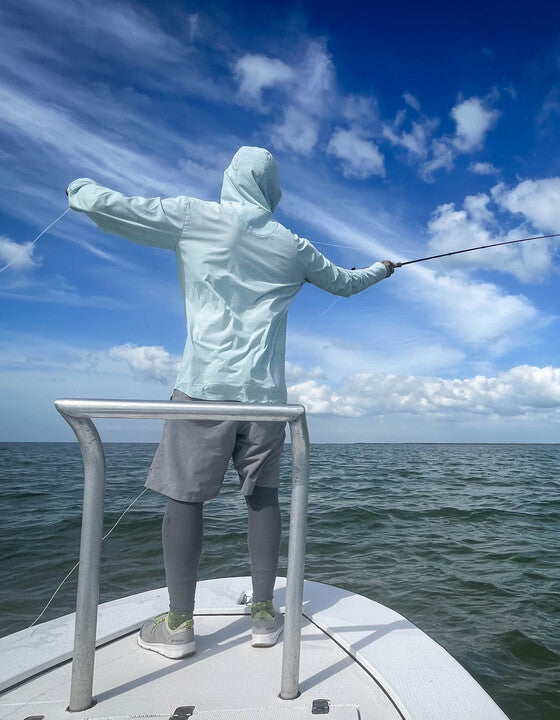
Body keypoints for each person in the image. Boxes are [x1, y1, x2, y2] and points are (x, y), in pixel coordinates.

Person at [66, 146, 396, 659]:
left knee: (185, 498)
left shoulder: (195, 216)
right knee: (262, 497)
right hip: (266, 401)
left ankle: (179, 624)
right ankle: (264, 616)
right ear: (272, 190)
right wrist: (382, 268)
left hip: (201, 390)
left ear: (231, 178)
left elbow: (118, 209)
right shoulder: (295, 246)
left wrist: (80, 190)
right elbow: (346, 284)